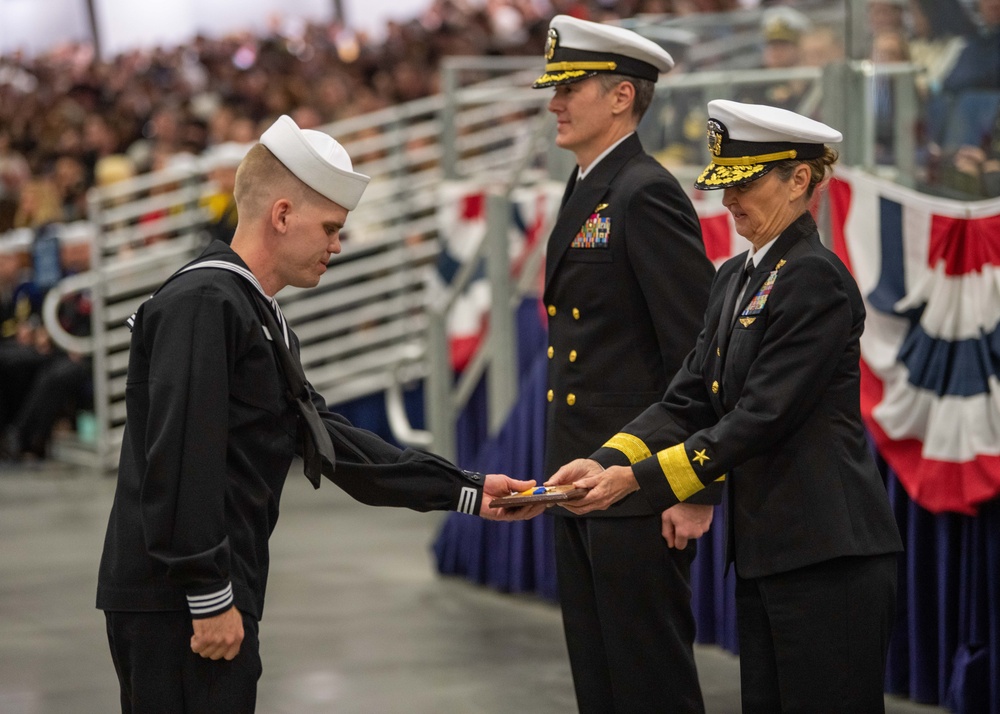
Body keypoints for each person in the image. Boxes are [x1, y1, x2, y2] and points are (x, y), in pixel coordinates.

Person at [95, 114, 545, 714]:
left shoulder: (248, 308)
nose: (338, 245)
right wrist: (206, 595)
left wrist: (464, 490)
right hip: (177, 601)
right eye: (331, 228)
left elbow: (325, 438)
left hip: (204, 588)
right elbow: (179, 458)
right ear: (281, 215)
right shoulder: (207, 302)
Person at [547, 100, 904, 713]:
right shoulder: (736, 274)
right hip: (771, 547)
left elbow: (760, 418)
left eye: (746, 182)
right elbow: (687, 397)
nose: (729, 200)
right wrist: (604, 459)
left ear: (800, 180)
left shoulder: (815, 277)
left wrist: (637, 481)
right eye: (724, 184)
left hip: (828, 550)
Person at [531, 15, 717, 713]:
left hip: (637, 482)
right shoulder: (590, 187)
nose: (554, 102)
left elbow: (697, 352)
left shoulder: (645, 190)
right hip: (580, 476)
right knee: (600, 677)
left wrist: (695, 484)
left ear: (620, 97)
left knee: (648, 678)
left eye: (570, 86)